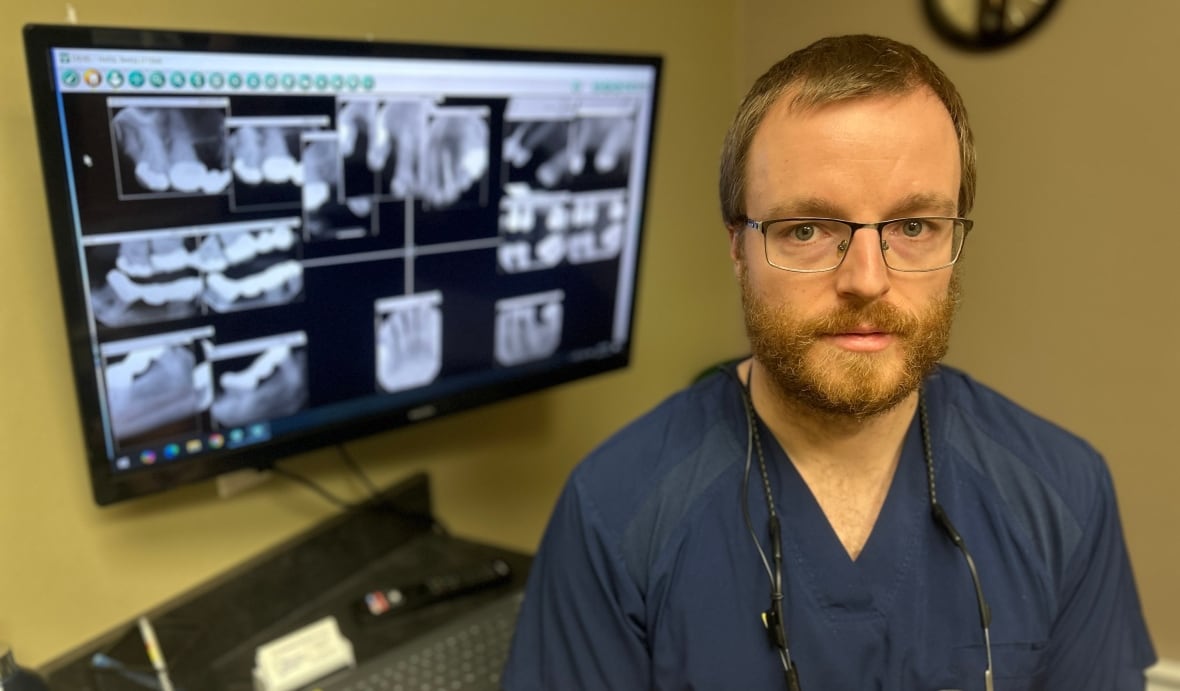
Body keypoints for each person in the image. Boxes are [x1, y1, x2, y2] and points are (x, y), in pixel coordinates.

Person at [501, 34, 1156, 690]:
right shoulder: (613, 513)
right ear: (737, 246)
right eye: (808, 229)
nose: (867, 280)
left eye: (914, 226)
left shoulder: (1063, 493)